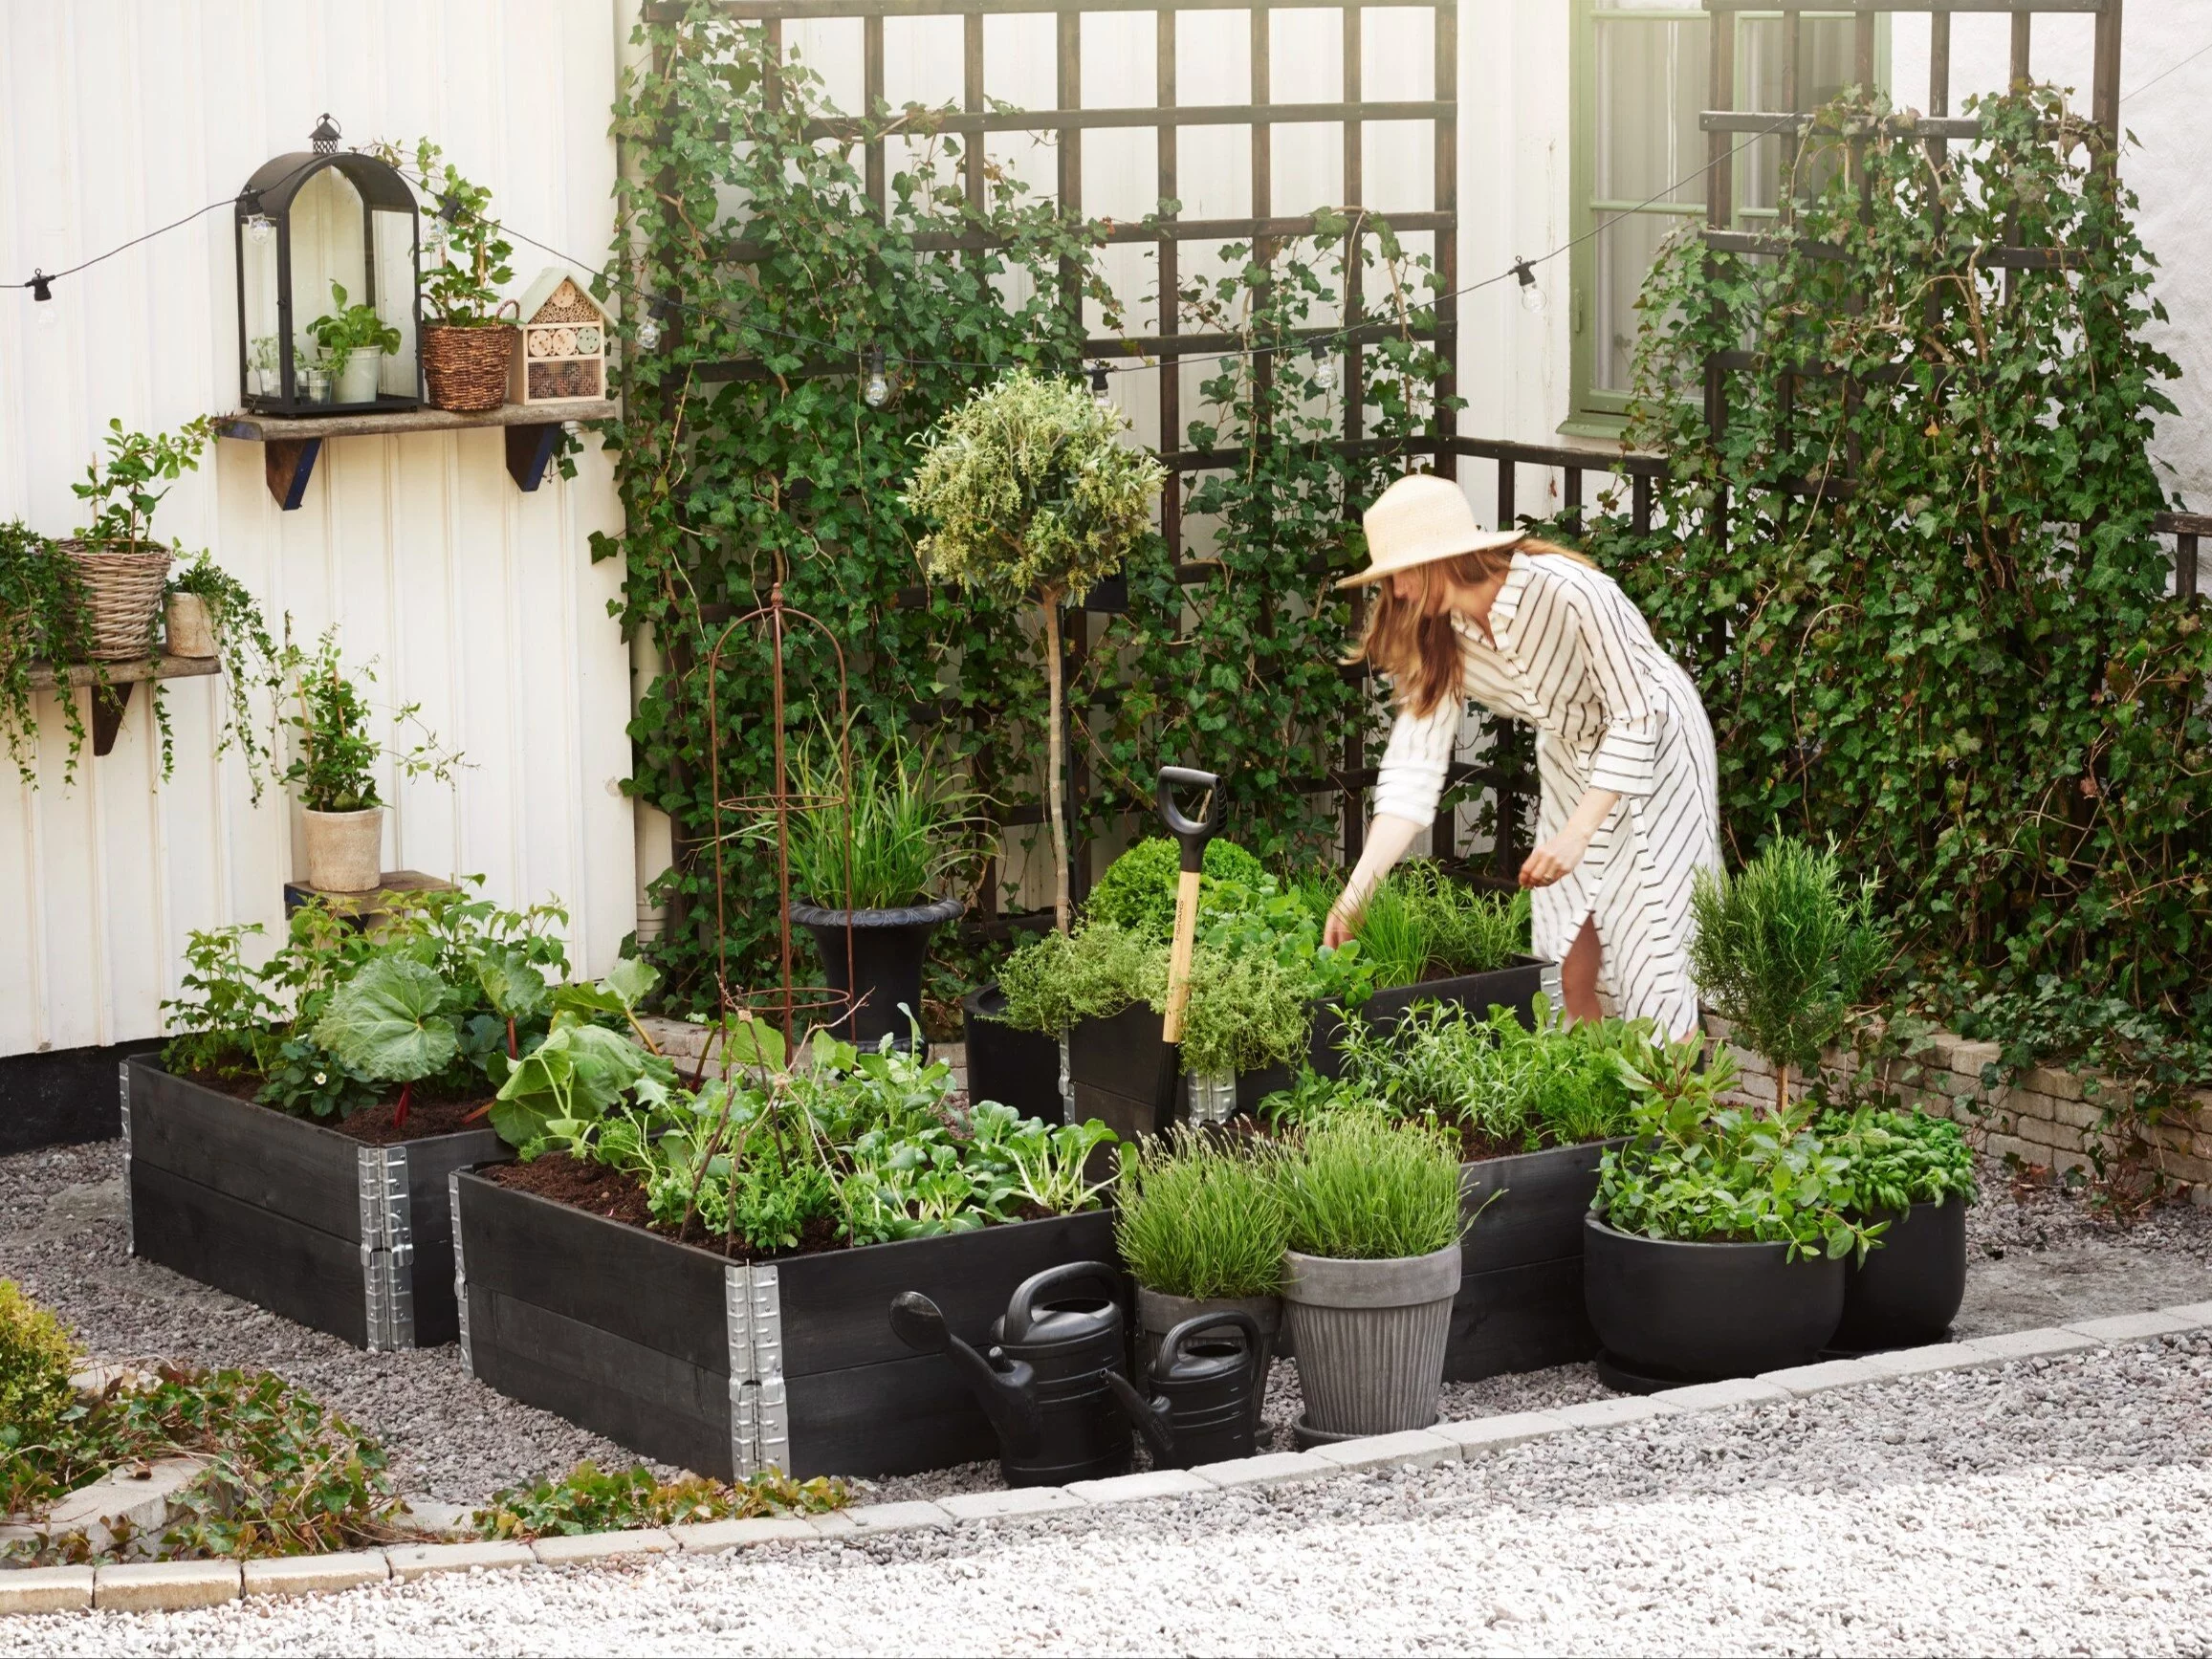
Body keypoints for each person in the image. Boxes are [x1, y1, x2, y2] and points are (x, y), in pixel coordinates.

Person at [1325, 471, 1720, 1039]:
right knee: (1563, 939)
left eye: (1401, 574)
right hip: (1570, 751)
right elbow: (1413, 767)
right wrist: (1357, 892)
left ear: (1440, 556)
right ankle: (1590, 1088)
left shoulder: (1573, 592)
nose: (1401, 594)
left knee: (1654, 937)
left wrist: (1578, 833)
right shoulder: (1441, 638)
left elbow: (1636, 713)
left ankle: (1679, 1113)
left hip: (1657, 749)